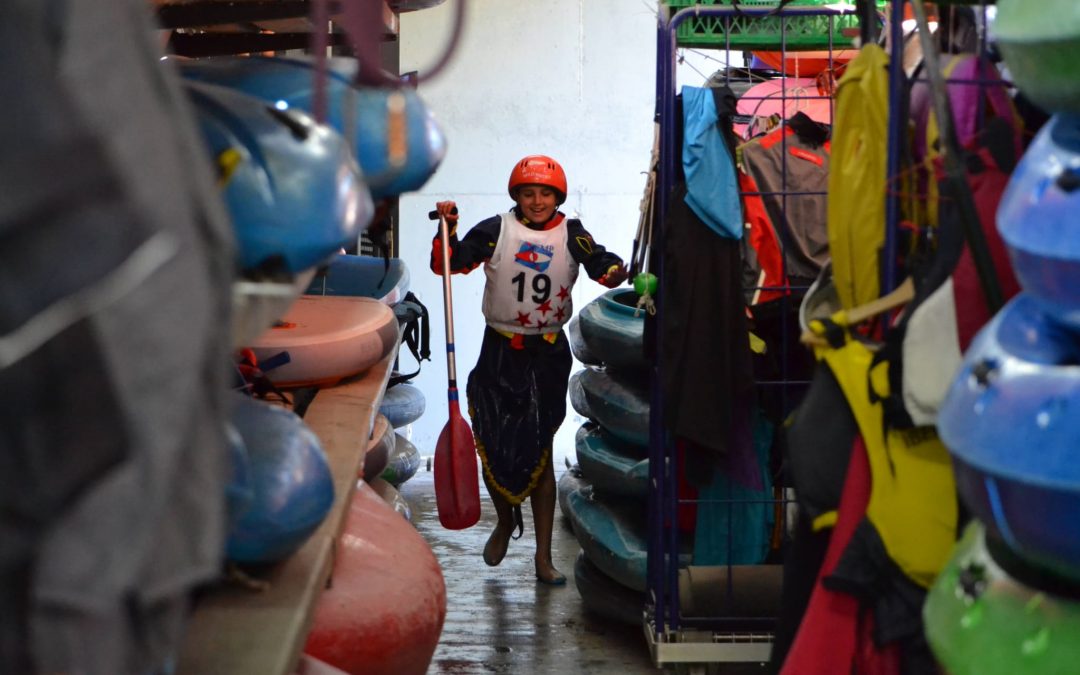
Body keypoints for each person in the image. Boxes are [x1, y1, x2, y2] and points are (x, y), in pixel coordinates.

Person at [431, 154, 627, 585]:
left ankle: (542, 557)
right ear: (516, 195)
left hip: (546, 356)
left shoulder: (571, 233)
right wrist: (447, 231)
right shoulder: (496, 229)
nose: (536, 201)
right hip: (499, 352)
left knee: (539, 450)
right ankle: (504, 520)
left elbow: (599, 262)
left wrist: (614, 271)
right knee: (494, 442)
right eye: (528, 192)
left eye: (545, 193)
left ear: (557, 197)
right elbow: (450, 263)